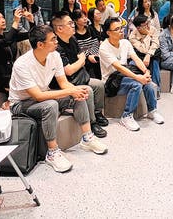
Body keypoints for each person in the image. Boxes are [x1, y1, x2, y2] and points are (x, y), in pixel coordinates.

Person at [9, 25, 108, 173]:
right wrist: (70, 91)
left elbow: (63, 83)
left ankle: (87, 137)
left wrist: (74, 90)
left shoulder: (54, 56)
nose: (56, 42)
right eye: (53, 39)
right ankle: (52, 152)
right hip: (21, 104)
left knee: (82, 90)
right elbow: (38, 96)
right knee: (50, 105)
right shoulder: (22, 64)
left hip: (43, 95)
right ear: (40, 44)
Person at [99, 17, 164, 131]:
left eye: (122, 28)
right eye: (117, 29)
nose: (121, 31)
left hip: (125, 75)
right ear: (108, 33)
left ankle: (152, 110)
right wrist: (138, 77)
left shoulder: (125, 42)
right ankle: (126, 116)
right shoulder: (104, 47)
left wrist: (145, 72)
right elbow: (118, 67)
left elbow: (136, 59)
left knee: (147, 82)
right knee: (137, 84)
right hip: (112, 81)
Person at [51, 11, 108, 138]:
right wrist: (81, 61)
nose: (73, 26)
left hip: (78, 77)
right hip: (65, 82)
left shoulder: (72, 39)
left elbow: (80, 57)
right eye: (70, 23)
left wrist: (80, 61)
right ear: (59, 28)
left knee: (99, 85)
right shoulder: (56, 47)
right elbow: (69, 70)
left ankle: (97, 113)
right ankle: (92, 122)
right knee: (88, 90)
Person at [0, 8, 31, 108]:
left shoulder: (9, 35)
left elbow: (31, 35)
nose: (3, 20)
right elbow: (5, 42)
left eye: (3, 17)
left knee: (17, 107)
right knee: (1, 111)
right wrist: (16, 21)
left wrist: (32, 21)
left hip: (11, 76)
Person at [128, 14, 162, 93]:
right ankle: (143, 87)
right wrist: (148, 35)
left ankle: (156, 90)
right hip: (138, 57)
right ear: (138, 27)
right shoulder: (132, 36)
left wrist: (148, 55)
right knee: (133, 64)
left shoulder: (153, 29)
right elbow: (143, 49)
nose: (148, 26)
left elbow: (156, 44)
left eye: (148, 23)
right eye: (145, 24)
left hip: (152, 56)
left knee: (155, 62)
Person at [73, 9, 103, 80]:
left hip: (94, 56)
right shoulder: (73, 34)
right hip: (83, 59)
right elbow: (78, 49)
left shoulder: (90, 29)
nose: (85, 19)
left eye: (85, 17)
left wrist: (91, 55)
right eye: (81, 17)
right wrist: (88, 56)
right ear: (75, 20)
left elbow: (96, 44)